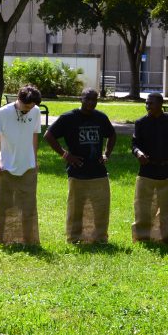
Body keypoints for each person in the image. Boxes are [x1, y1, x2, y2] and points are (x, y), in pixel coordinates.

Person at [44, 89, 116, 244]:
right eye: (87, 99)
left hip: (98, 170)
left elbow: (112, 135)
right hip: (77, 170)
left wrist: (106, 154)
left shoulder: (101, 117)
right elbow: (48, 135)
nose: (91, 102)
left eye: (94, 100)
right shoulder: (69, 118)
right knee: (76, 206)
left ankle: (100, 237)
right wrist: (65, 154)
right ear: (81, 99)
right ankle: (74, 237)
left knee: (101, 205)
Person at [130, 92, 168, 244]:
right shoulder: (141, 122)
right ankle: (142, 237)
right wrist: (138, 153)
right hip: (147, 169)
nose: (148, 106)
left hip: (166, 168)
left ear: (160, 104)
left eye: (151, 103)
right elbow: (134, 144)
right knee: (143, 206)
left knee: (167, 208)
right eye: (147, 103)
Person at [0, 85, 42, 245]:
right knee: (5, 205)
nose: (28, 110)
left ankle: (28, 240)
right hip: (6, 167)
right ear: (18, 99)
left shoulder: (36, 111)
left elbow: (34, 135)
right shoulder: (3, 112)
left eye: (31, 106)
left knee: (28, 206)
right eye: (26, 106)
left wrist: (34, 160)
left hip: (28, 166)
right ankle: (2, 239)